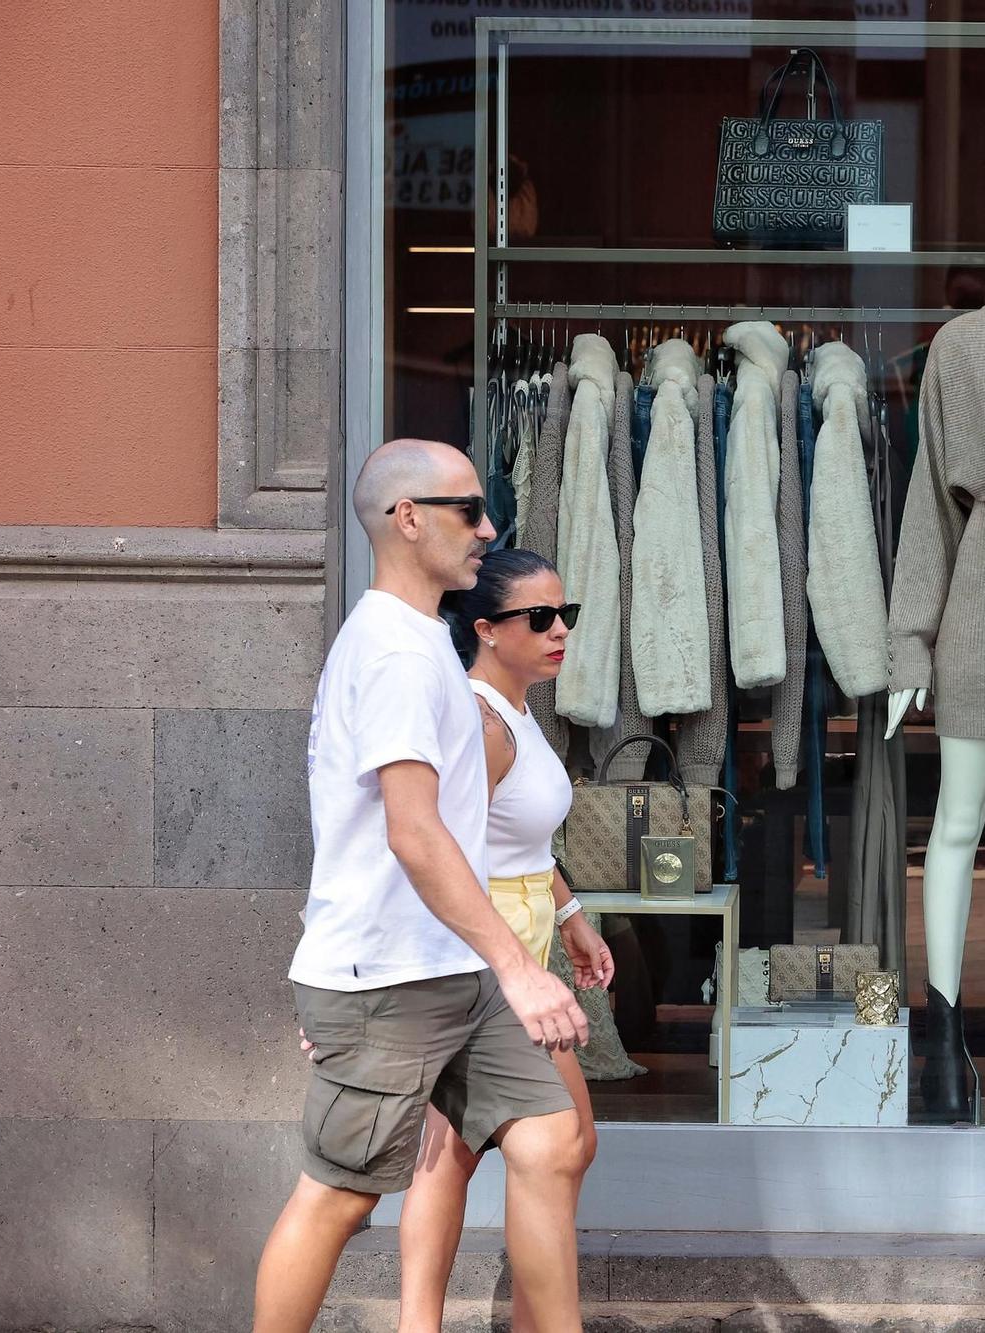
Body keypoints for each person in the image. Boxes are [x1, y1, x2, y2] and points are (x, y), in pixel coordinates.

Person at [254, 440, 592, 1333]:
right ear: (408, 520)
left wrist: (552, 918)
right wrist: (520, 969)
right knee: (340, 1198)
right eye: (468, 511)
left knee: (554, 1140)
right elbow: (411, 830)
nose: (487, 530)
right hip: (390, 980)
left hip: (450, 965)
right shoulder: (398, 655)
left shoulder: (421, 638)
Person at [395, 547, 614, 1333]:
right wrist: (506, 961)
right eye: (540, 617)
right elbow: (443, 853)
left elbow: (518, 843)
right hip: (488, 961)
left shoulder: (516, 708)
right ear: (485, 628)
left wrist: (571, 917)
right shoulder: (482, 721)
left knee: (467, 1147)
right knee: (555, 1140)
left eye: (567, 614)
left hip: (521, 947)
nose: (561, 631)